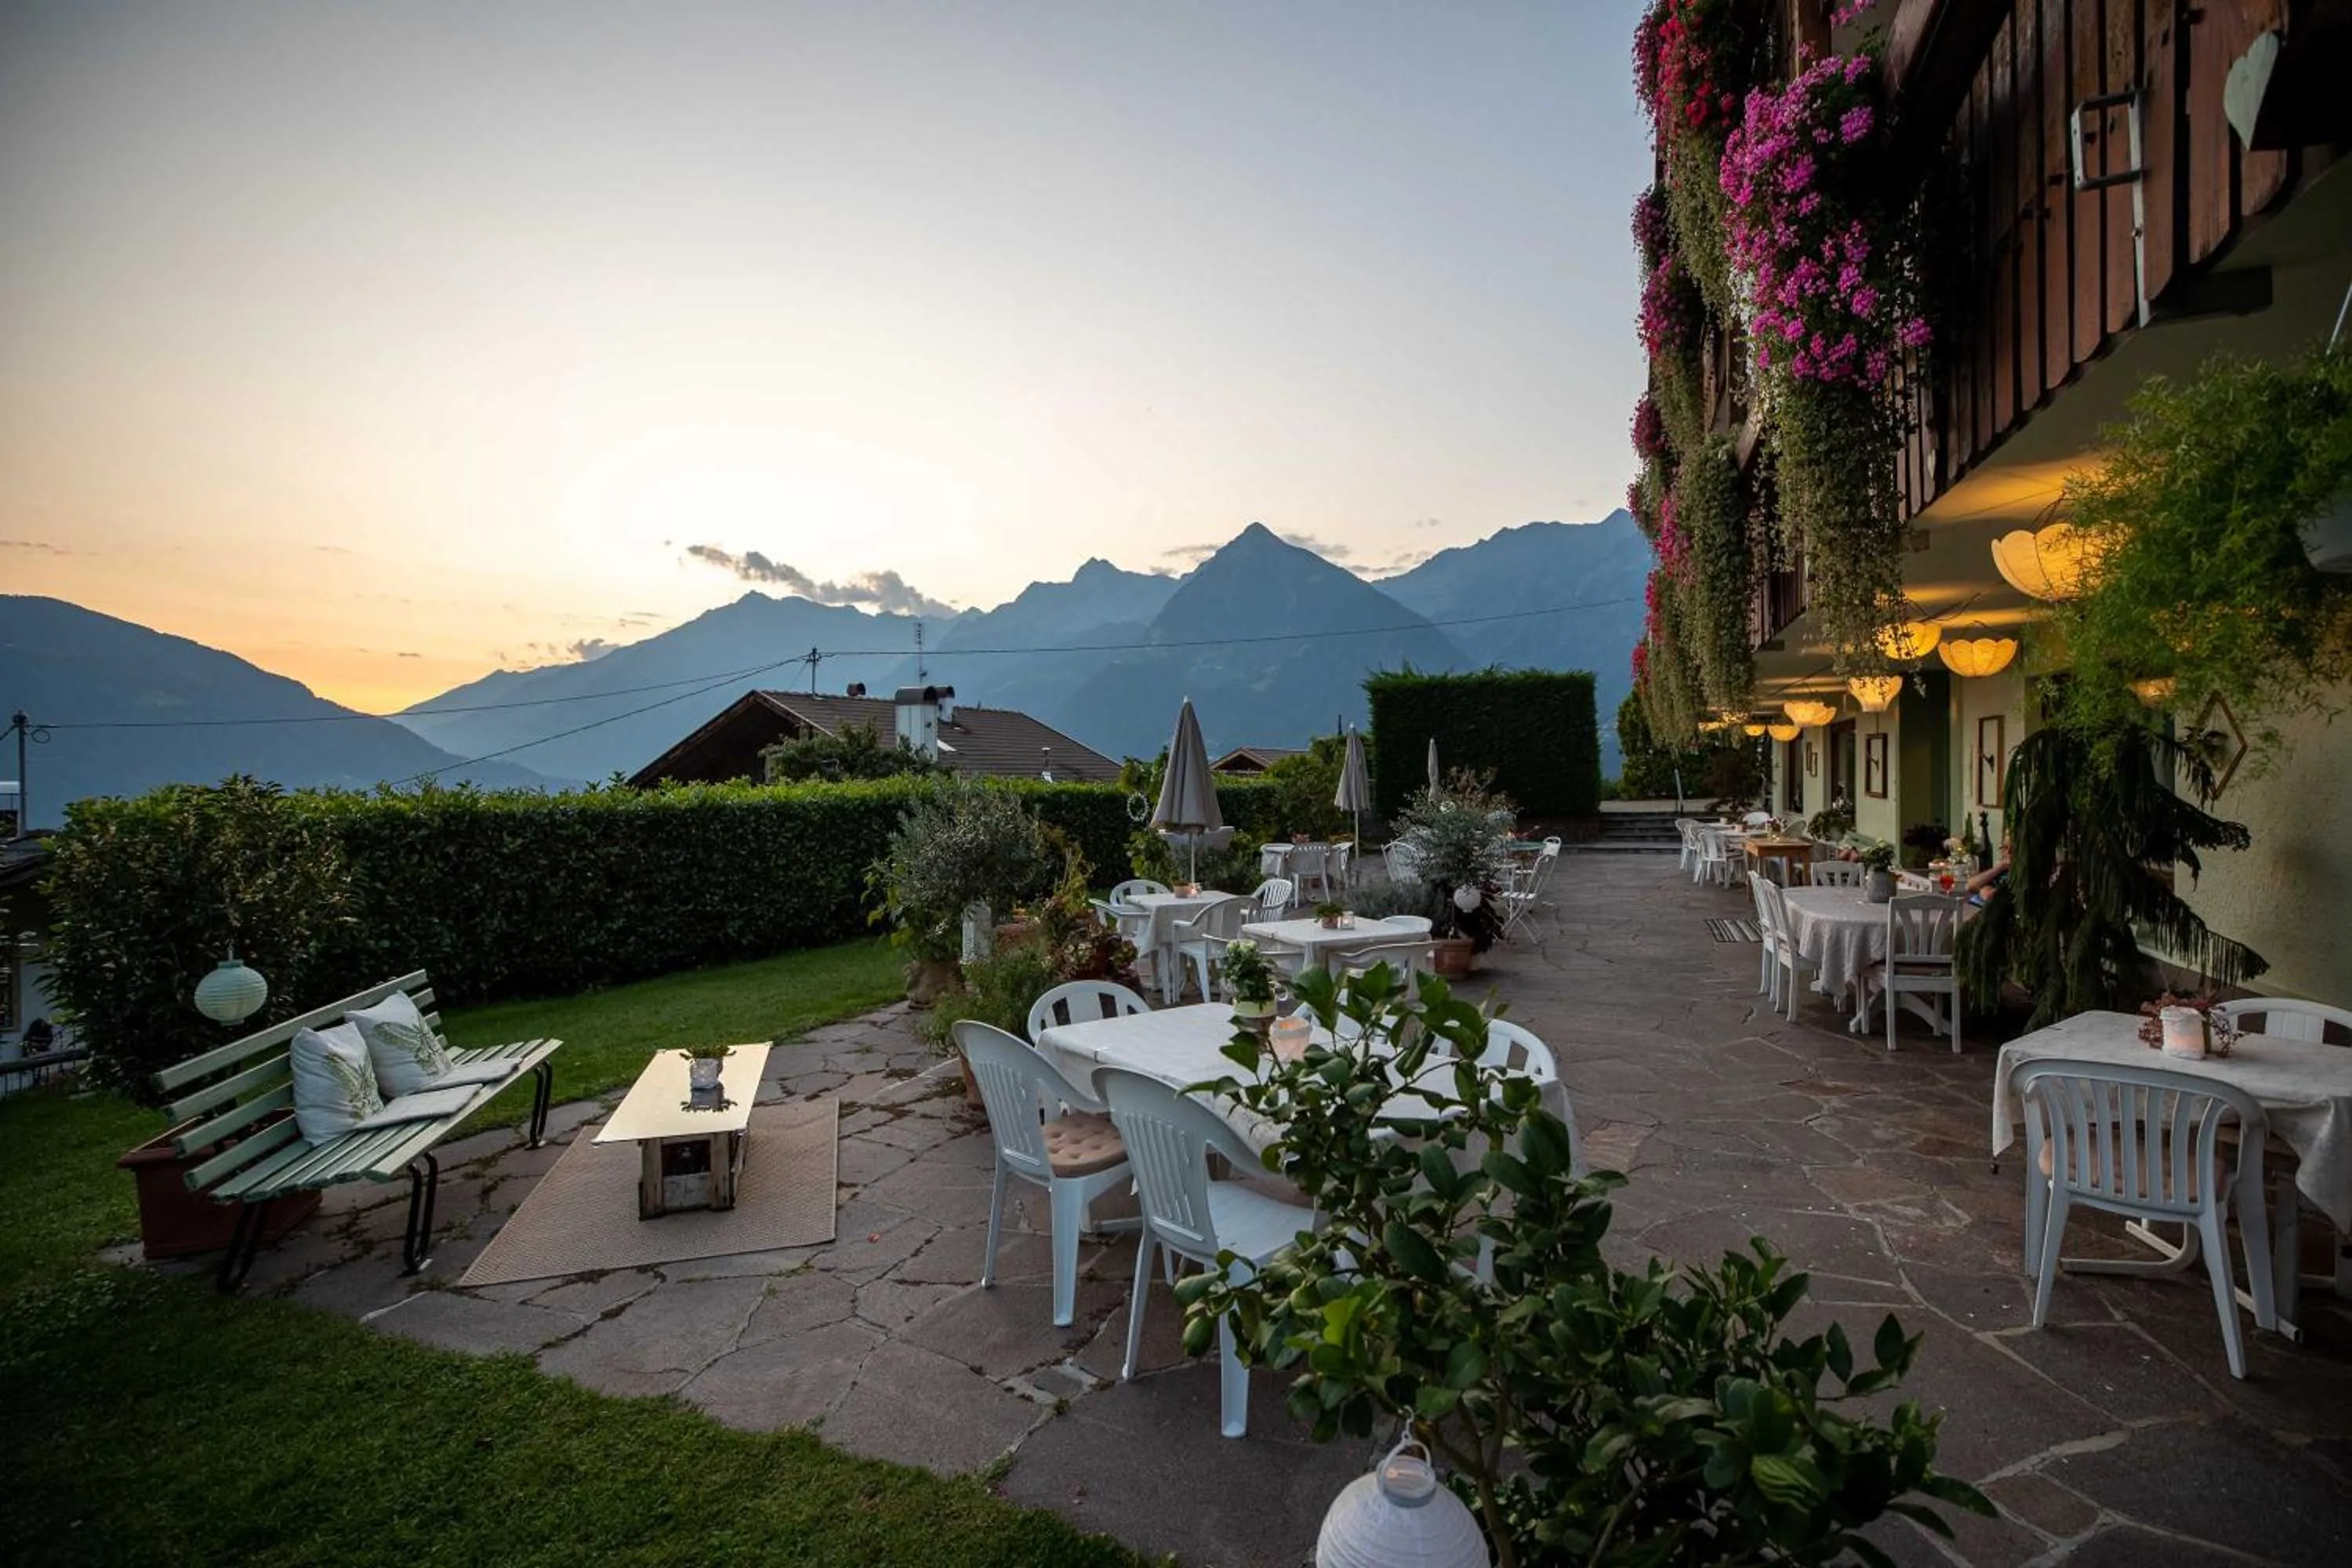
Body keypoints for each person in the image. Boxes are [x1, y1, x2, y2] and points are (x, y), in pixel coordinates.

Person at [1965, 839, 2011, 906]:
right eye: (2005, 848)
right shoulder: (2002, 869)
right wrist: (1998, 868)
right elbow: (1970, 886)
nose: (2008, 853)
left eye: (2013, 848)